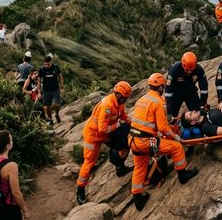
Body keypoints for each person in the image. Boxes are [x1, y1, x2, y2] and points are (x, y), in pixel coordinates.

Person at [129, 73, 198, 211]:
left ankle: (138, 199)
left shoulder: (141, 100)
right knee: (177, 148)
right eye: (163, 86)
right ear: (161, 86)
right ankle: (183, 175)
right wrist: (175, 137)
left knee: (139, 167)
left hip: (133, 140)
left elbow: (147, 120)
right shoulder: (159, 102)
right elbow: (163, 128)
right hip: (146, 141)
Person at [75, 81, 133, 205]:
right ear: (119, 95)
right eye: (125, 98)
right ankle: (80, 191)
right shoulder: (107, 105)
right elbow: (102, 128)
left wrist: (132, 124)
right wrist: (118, 125)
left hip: (106, 134)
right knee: (89, 162)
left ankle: (120, 167)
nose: (126, 100)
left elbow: (123, 116)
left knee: (124, 143)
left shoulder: (119, 104)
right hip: (93, 135)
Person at [0, 130, 30, 220]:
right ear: (7, 146)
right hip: (8, 208)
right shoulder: (11, 166)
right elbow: (16, 193)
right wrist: (25, 210)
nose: (12, 142)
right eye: (11, 140)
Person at [164, 51, 209, 118]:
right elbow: (168, 92)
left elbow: (204, 88)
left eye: (191, 70)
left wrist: (202, 104)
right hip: (176, 94)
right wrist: (169, 111)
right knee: (172, 117)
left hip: (191, 92)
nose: (189, 72)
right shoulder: (174, 70)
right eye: (187, 70)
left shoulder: (199, 70)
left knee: (198, 114)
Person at [38, 53, 64, 123]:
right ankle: (50, 119)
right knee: (47, 107)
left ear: (51, 62)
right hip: (46, 90)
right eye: (45, 64)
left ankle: (56, 114)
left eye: (48, 64)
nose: (46, 66)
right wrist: (39, 92)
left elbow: (60, 77)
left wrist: (62, 87)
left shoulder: (56, 67)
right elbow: (39, 81)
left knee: (57, 104)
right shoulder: (41, 69)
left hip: (55, 89)